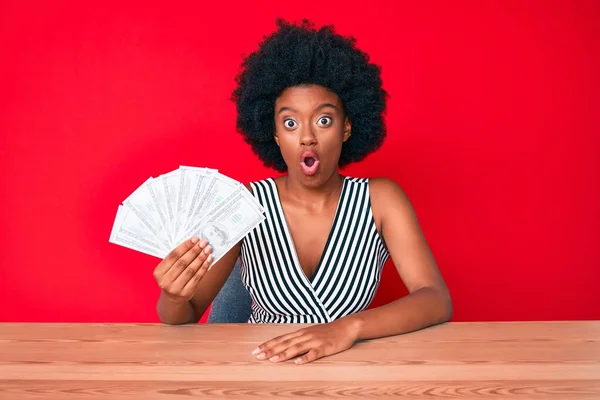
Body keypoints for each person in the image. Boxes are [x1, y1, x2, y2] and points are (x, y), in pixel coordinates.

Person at [153, 19, 452, 365]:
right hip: (262, 374)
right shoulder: (246, 204)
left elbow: (435, 298)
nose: (307, 136)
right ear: (276, 135)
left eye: (323, 120)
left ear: (347, 127)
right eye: (290, 122)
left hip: (350, 376)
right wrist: (172, 296)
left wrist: (346, 329)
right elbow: (184, 315)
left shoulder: (381, 200)